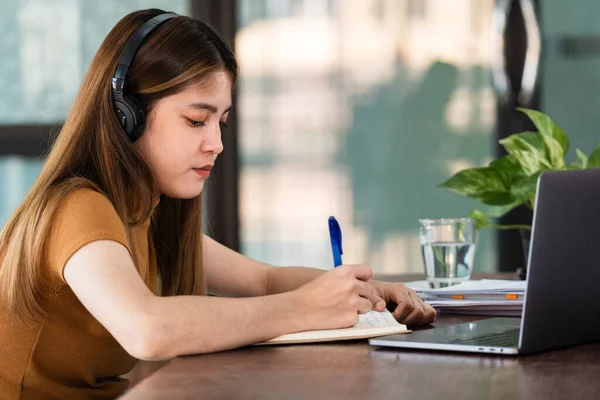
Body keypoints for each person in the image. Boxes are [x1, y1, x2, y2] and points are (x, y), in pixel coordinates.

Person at [0, 9, 436, 399]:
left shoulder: (146, 210)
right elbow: (147, 329)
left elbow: (263, 281)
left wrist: (366, 295)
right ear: (124, 115)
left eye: (221, 122)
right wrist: (305, 308)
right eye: (195, 120)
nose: (216, 144)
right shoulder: (78, 206)